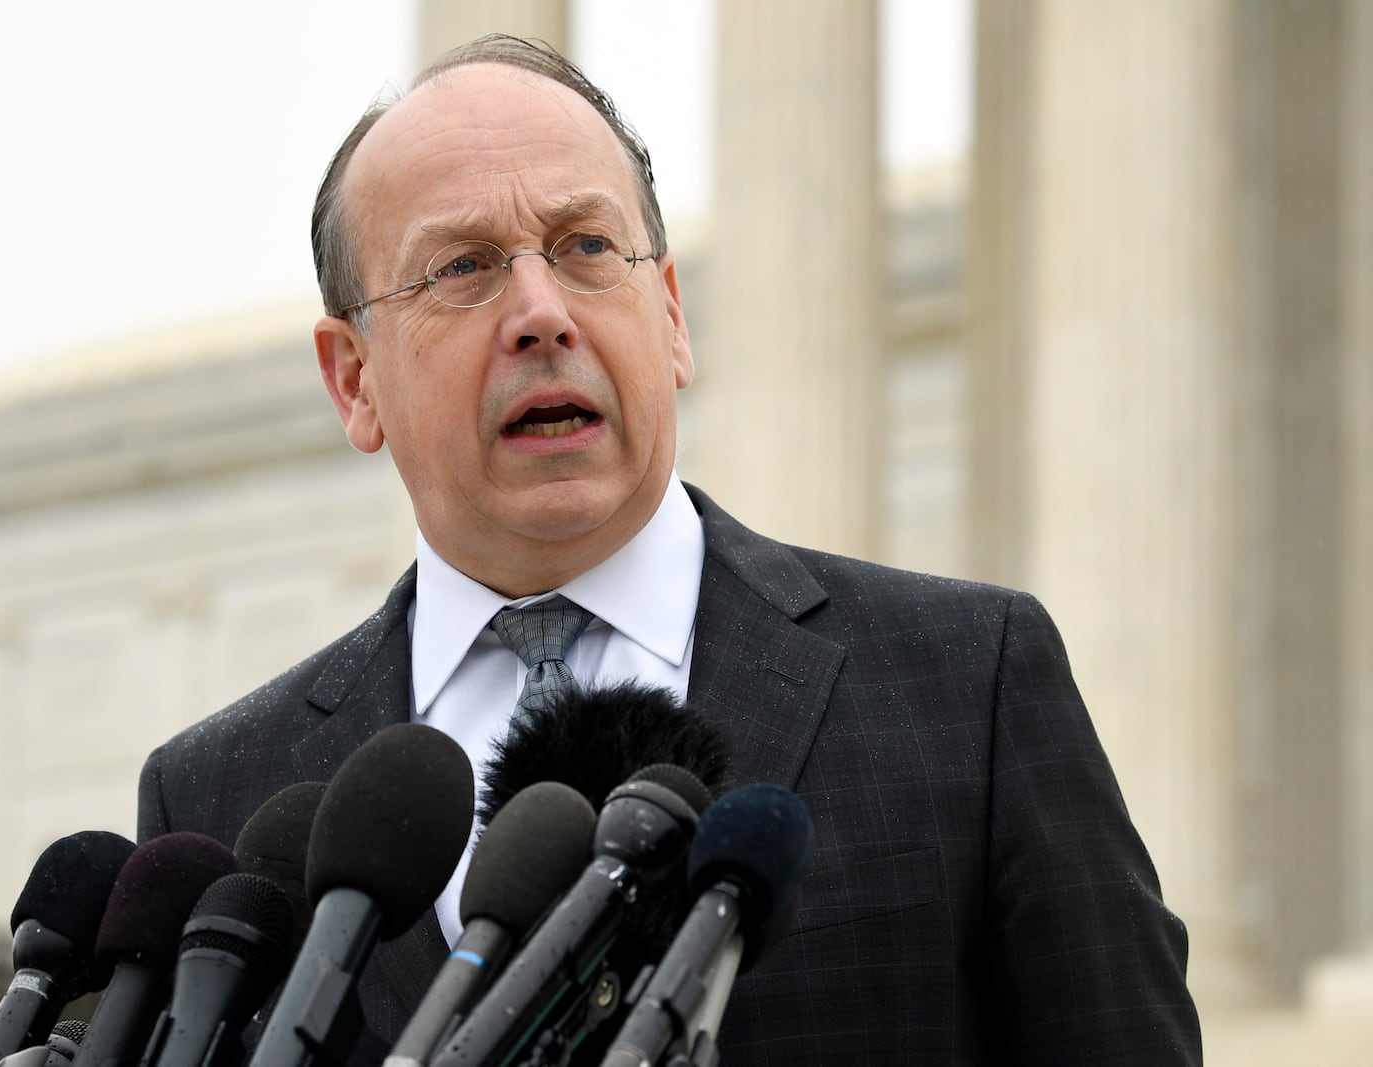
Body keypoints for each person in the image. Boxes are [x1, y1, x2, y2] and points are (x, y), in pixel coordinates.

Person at [137, 35, 1201, 1064]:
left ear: (673, 313)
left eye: (587, 247)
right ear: (353, 379)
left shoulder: (971, 684)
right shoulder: (218, 799)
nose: (541, 313)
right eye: (462, 267)